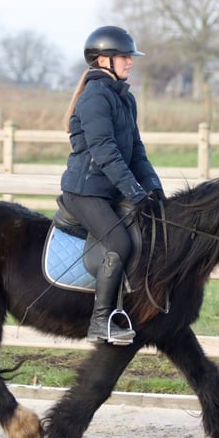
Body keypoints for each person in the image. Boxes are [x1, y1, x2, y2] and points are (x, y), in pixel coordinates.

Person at [59, 25, 165, 344]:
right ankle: (101, 320)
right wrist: (134, 192)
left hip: (108, 191)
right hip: (85, 191)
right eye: (123, 57)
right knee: (120, 243)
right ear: (103, 60)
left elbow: (136, 150)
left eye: (129, 57)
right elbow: (106, 152)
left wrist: (154, 189)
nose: (130, 62)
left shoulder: (125, 100)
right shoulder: (94, 99)